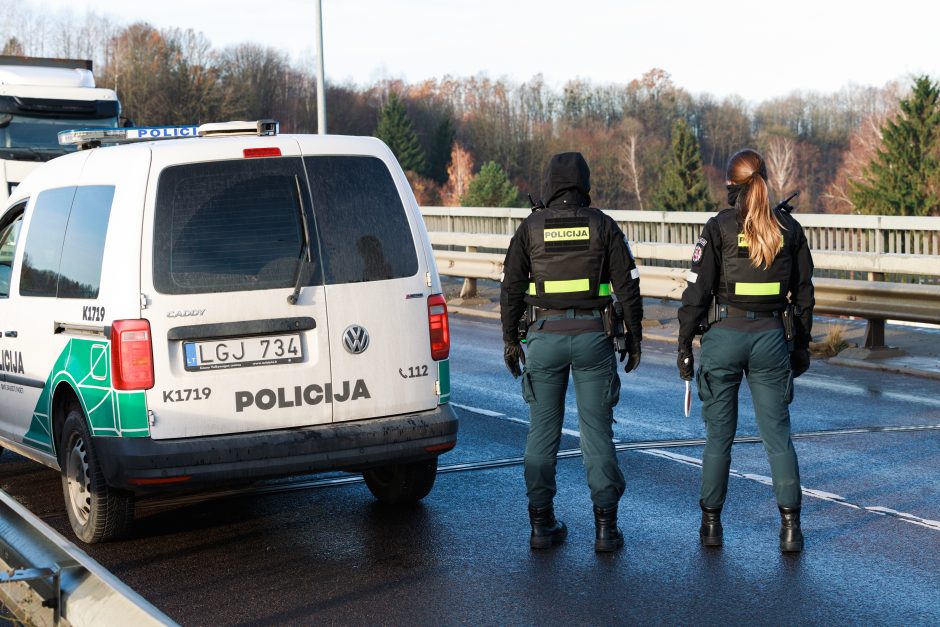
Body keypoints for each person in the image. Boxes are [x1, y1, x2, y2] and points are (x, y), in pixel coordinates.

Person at [500, 152, 643, 553]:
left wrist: (510, 340)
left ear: (549, 184)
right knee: (596, 433)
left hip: (543, 338)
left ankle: (541, 524)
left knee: (542, 432)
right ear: (584, 183)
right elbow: (627, 286)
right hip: (594, 338)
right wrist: (635, 336)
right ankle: (606, 529)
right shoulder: (603, 225)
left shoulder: (530, 228)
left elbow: (510, 288)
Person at [676, 148, 814, 553]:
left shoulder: (718, 227)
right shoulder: (787, 228)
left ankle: (711, 526)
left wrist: (684, 345)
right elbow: (804, 294)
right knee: (778, 438)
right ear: (765, 182)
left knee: (719, 438)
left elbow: (696, 292)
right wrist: (800, 346)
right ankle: (791, 530)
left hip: (723, 338)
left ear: (731, 187)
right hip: (771, 338)